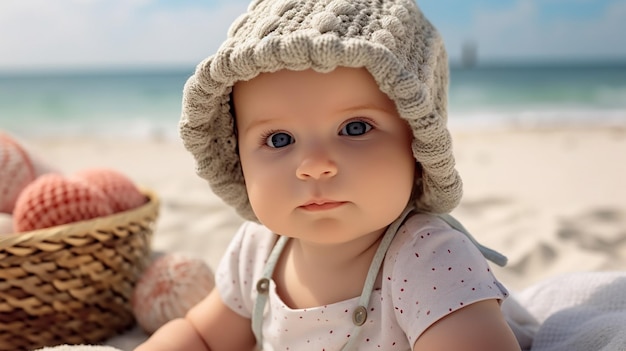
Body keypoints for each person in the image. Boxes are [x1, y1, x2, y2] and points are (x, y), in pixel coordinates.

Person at [135, 0, 522, 350]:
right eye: (280, 138)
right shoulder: (258, 250)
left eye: (355, 128)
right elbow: (202, 337)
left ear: (417, 148)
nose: (314, 164)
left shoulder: (429, 260)